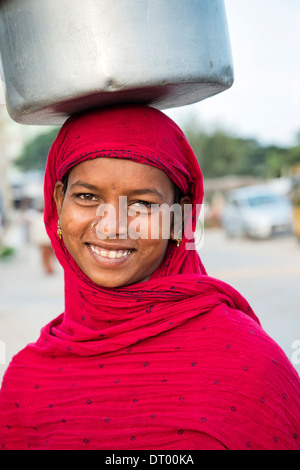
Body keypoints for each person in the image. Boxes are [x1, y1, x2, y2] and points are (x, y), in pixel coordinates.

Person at [0, 105, 299, 450]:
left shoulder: (250, 364)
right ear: (58, 201)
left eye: (142, 204)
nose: (112, 226)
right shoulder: (26, 380)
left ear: (179, 215)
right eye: (87, 197)